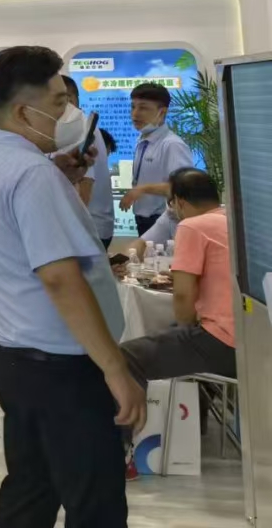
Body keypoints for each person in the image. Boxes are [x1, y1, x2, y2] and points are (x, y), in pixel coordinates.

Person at [0, 46, 143, 528]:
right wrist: (115, 367)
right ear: (24, 112)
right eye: (59, 103)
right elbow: (60, 279)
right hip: (61, 368)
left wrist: (57, 175)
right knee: (95, 500)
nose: (69, 113)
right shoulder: (31, 174)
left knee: (31, 487)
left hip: (12, 354)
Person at [121, 167, 236, 382]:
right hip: (252, 337)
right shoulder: (234, 220)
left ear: (179, 202)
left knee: (124, 357)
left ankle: (136, 407)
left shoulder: (192, 226)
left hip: (223, 340)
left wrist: (185, 331)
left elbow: (183, 297)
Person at [120, 83, 195, 237]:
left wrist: (142, 189)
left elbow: (182, 188)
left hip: (164, 221)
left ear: (162, 112)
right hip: (142, 219)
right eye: (133, 107)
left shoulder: (172, 144)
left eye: (143, 108)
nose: (135, 114)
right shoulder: (142, 140)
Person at [60, 76, 115, 250]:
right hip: (89, 228)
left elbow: (85, 186)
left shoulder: (78, 127)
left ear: (69, 100)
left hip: (86, 230)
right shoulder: (69, 127)